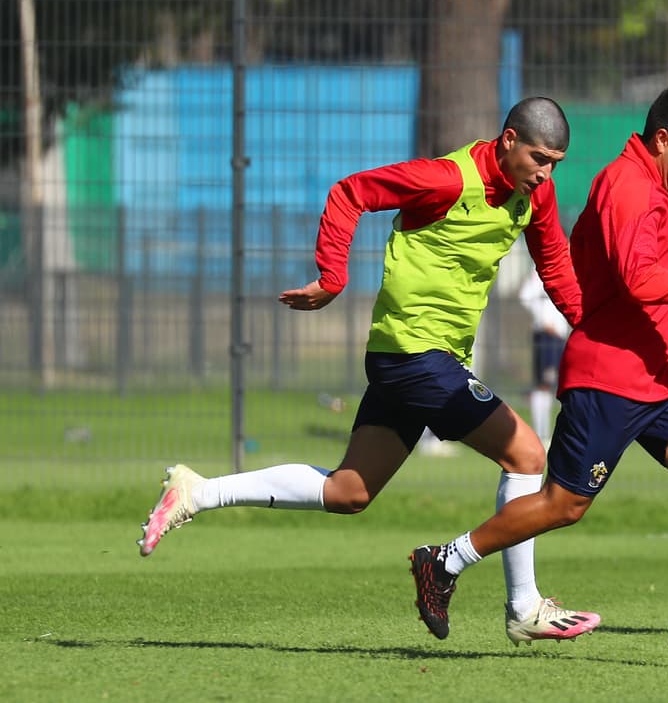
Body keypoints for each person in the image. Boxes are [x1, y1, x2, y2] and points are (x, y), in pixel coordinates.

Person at [137, 97, 601, 646]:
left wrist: (593, 332)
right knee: (526, 455)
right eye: (540, 158)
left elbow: (554, 266)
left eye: (556, 163)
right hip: (413, 354)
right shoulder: (445, 180)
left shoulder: (535, 195)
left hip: (418, 358)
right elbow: (351, 192)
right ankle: (523, 606)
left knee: (348, 492)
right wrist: (332, 278)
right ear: (507, 141)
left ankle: (197, 491)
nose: (547, 173)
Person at [406, 78, 668, 661]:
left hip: (656, 373)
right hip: (610, 378)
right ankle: (443, 562)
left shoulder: (650, 185)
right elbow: (638, 278)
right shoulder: (626, 185)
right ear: (662, 139)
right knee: (564, 505)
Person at [519, 267, 570, 444]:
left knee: (550, 385)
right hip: (547, 335)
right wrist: (544, 321)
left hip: (558, 337)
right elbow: (525, 295)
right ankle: (541, 434)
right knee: (544, 384)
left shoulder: (568, 268)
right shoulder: (542, 269)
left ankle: (544, 434)